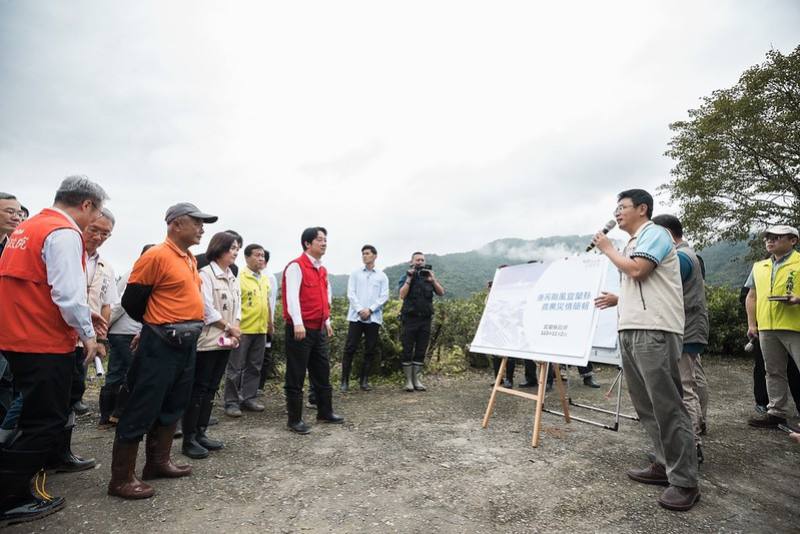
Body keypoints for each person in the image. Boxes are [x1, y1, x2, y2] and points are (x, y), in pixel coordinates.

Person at [0, 176, 108, 525]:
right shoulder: (63, 233)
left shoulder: (30, 227)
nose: (95, 223)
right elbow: (67, 295)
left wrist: (82, 312)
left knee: (32, 415)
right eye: (97, 214)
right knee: (44, 422)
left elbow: (42, 285)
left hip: (18, 336)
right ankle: (8, 498)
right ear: (87, 205)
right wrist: (88, 334)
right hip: (43, 341)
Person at [592, 188, 699, 511]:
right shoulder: (633, 242)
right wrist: (617, 299)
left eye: (622, 207)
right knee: (647, 406)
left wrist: (608, 249)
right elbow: (642, 286)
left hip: (655, 330)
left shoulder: (655, 234)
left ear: (642, 208)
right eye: (616, 207)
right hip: (633, 328)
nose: (617, 213)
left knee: (667, 405)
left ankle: (685, 482)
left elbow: (639, 271)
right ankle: (664, 464)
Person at [107, 202, 217, 500]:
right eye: (196, 222)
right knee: (142, 404)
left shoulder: (189, 259)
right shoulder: (155, 255)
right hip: (161, 344)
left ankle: (157, 463)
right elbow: (132, 301)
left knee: (174, 402)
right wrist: (153, 326)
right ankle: (121, 479)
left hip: (186, 343)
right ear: (175, 224)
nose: (202, 228)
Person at [652, 214, 710, 463]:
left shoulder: (680, 258)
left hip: (684, 329)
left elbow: (660, 291)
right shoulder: (688, 254)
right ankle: (696, 431)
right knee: (692, 383)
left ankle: (690, 447)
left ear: (666, 233)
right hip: (689, 328)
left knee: (684, 390)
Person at [183, 232, 241, 458]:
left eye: (237, 248)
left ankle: (201, 432)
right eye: (232, 248)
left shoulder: (232, 276)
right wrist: (229, 326)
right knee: (199, 389)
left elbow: (238, 308)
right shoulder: (205, 275)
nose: (235, 252)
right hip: (207, 341)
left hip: (225, 341)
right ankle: (189, 438)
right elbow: (205, 308)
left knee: (211, 388)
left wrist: (235, 327)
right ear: (219, 249)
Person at [282, 227, 343, 434]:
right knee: (296, 373)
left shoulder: (322, 270)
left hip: (319, 328)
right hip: (300, 328)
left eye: (326, 239)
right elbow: (291, 296)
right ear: (308, 243)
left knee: (322, 371)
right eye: (319, 240)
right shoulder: (296, 266)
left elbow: (325, 297)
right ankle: (294, 420)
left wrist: (327, 320)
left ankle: (325, 412)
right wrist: (297, 322)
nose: (324, 243)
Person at [745, 225, 800, 429]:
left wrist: (798, 299)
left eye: (777, 237)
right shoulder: (760, 266)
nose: (770, 241)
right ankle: (776, 412)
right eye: (768, 237)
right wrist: (752, 324)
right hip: (767, 327)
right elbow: (752, 296)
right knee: (773, 371)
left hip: (795, 326)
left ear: (792, 240)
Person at [70, 209, 119, 422]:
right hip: (59, 337)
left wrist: (101, 339)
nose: (98, 237)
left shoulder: (106, 266)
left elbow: (106, 305)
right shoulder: (68, 255)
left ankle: (63, 449)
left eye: (105, 234)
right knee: (49, 394)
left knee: (74, 392)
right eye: (94, 230)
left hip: (87, 340)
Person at [100, 244, 155, 426]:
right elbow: (121, 303)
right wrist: (104, 328)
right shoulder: (137, 273)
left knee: (116, 372)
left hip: (122, 331)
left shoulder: (139, 271)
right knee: (135, 372)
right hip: (126, 332)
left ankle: (108, 416)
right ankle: (119, 413)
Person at [224, 243, 268, 417]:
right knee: (235, 367)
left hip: (260, 329)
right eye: (257, 255)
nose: (261, 259)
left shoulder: (264, 278)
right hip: (242, 329)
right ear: (247, 257)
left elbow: (266, 303)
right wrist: (234, 328)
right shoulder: (239, 277)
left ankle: (248, 397)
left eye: (263, 256)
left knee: (255, 366)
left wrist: (269, 324)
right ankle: (231, 402)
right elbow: (236, 304)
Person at [341, 245, 389, 392]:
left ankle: (364, 380)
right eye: (363, 254)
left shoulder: (382, 276)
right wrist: (360, 309)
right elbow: (351, 293)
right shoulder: (355, 274)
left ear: (375, 256)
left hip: (373, 318)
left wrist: (371, 309)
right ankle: (344, 381)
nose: (364, 256)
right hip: (356, 317)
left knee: (370, 349)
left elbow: (384, 296)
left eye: (367, 253)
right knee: (350, 348)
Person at [398, 252, 444, 392]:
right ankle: (408, 380)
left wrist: (433, 280)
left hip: (425, 319)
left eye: (422, 260)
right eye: (417, 260)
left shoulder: (428, 278)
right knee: (407, 349)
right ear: (411, 262)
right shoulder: (405, 277)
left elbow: (441, 293)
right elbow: (402, 294)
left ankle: (416, 379)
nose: (420, 262)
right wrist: (409, 278)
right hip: (409, 318)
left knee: (421, 349)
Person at [258, 249, 280, 388]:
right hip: (253, 323)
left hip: (265, 323)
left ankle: (259, 386)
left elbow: (270, 302)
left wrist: (270, 323)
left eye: (260, 256)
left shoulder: (269, 277)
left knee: (264, 355)